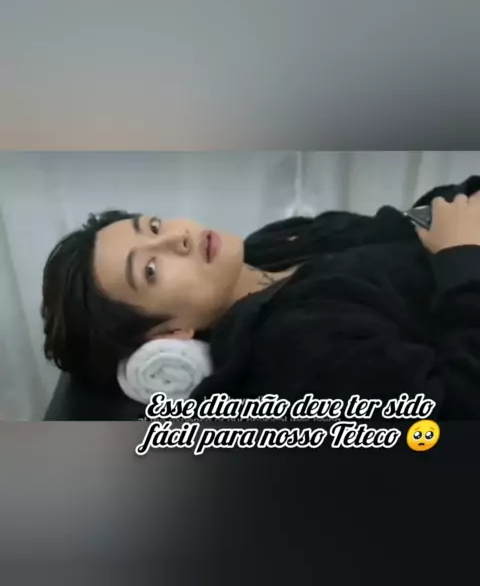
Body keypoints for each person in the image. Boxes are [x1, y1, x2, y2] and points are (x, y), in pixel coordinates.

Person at [42, 175, 480, 419]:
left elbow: (399, 224)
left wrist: (456, 209)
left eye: (154, 226)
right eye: (151, 270)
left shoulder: (270, 245)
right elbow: (453, 411)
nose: (177, 237)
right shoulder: (295, 345)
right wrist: (463, 258)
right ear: (170, 334)